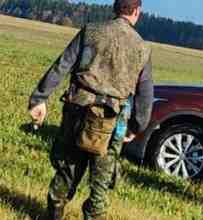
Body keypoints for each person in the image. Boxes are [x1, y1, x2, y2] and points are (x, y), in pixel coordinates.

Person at [28, 0, 153, 219]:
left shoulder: (91, 31)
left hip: (79, 109)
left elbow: (62, 65)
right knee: (101, 179)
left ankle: (53, 212)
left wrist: (39, 98)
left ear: (115, 8)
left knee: (68, 165)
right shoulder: (142, 47)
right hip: (114, 120)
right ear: (136, 11)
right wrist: (136, 126)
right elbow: (145, 94)